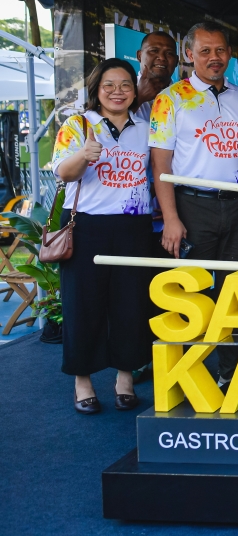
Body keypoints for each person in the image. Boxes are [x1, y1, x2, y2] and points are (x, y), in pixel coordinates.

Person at [149, 21, 238, 389]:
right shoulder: (169, 99)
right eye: (205, 51)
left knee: (237, 292)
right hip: (191, 205)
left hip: (237, 205)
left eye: (220, 50)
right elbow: (160, 164)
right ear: (189, 55)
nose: (214, 58)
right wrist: (171, 217)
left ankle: (230, 373)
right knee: (192, 291)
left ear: (229, 53)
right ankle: (190, 374)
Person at [52, 58, 154, 414]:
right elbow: (63, 174)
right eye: (109, 85)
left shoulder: (146, 127)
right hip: (87, 227)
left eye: (125, 84)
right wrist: (84, 155)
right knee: (83, 305)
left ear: (134, 90)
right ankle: (83, 382)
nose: (117, 92)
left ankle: (124, 379)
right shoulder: (78, 124)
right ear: (96, 89)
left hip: (134, 227)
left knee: (131, 305)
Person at [134, 31, 179, 122]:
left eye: (169, 53)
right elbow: (105, 129)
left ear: (176, 61)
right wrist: (139, 98)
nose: (162, 57)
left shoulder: (186, 96)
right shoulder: (119, 89)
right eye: (154, 51)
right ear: (139, 56)